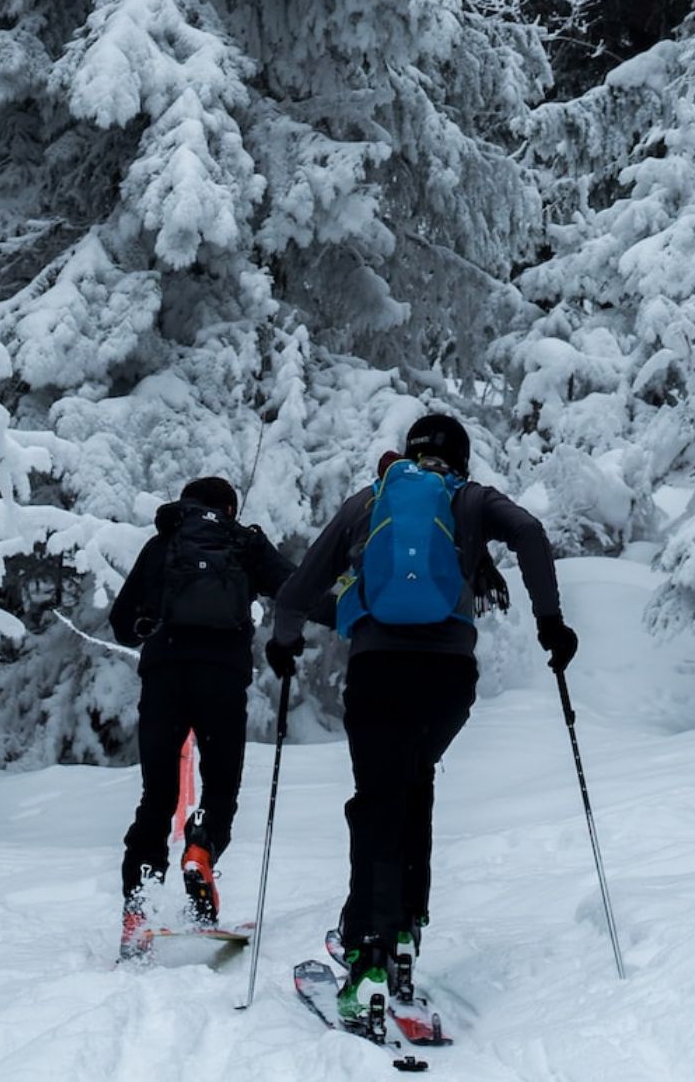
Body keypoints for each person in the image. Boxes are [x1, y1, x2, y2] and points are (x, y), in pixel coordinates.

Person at [266, 413, 574, 1032]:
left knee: (377, 802)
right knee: (415, 789)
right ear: (461, 458)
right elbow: (532, 534)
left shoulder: (371, 501)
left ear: (408, 454)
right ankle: (404, 936)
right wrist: (550, 623)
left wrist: (284, 642)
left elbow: (299, 587)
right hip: (448, 680)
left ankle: (369, 960)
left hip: (380, 669)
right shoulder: (470, 499)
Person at [106, 475, 293, 958]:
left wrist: (149, 623)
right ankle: (201, 850)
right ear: (229, 507)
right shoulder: (244, 543)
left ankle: (139, 906)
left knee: (158, 795)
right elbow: (296, 589)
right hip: (223, 679)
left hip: (166, 676)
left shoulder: (163, 543)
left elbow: (122, 622)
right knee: (221, 787)